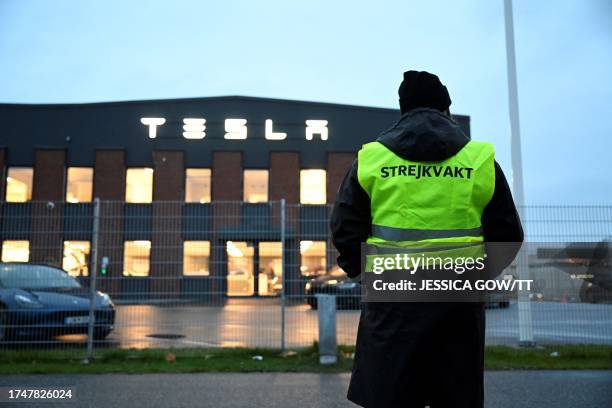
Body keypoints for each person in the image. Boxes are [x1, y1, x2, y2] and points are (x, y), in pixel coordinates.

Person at [330, 70, 524, 408]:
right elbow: (508, 234)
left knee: (392, 396)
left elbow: (345, 230)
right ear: (446, 109)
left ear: (403, 110)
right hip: (457, 307)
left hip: (392, 303)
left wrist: (368, 277)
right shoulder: (479, 161)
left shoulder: (372, 159)